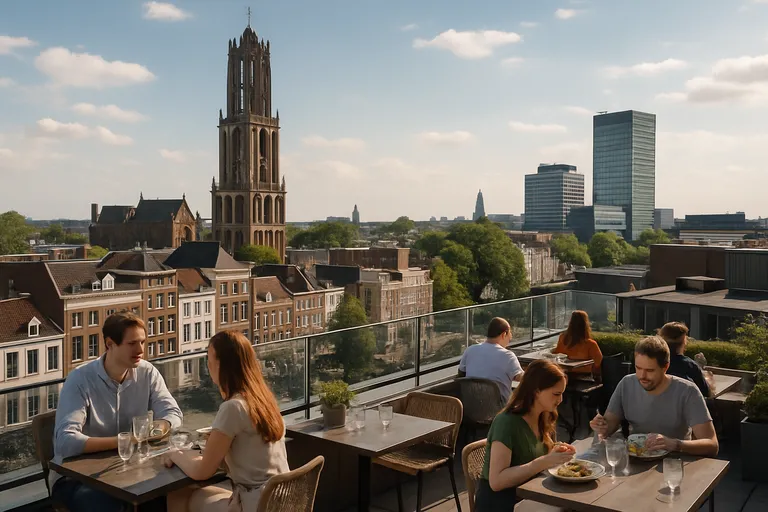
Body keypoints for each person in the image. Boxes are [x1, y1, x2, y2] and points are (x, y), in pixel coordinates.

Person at [51, 312, 183, 511]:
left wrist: (159, 427)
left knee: (170, 496)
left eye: (143, 342)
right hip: (77, 479)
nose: (140, 350)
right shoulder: (80, 380)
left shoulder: (147, 372)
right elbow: (65, 442)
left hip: (128, 471)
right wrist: (127, 440)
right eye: (132, 344)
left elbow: (173, 413)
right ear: (110, 344)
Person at [165, 330, 289, 512]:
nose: (207, 365)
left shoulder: (233, 407)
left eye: (209, 359)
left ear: (221, 364)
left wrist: (173, 454)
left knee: (179, 494)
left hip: (255, 505)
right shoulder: (264, 400)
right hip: (282, 501)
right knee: (203, 492)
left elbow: (202, 471)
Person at [590, 336, 718, 457]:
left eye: (650, 371)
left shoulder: (687, 391)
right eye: (638, 368)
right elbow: (609, 425)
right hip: (635, 458)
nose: (642, 376)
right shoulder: (627, 383)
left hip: (673, 462)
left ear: (665, 367)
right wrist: (602, 426)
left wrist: (675, 444)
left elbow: (712, 445)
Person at [475, 360, 576, 511]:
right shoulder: (506, 422)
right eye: (556, 394)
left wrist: (556, 451)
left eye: (562, 393)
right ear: (536, 391)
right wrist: (545, 461)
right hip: (502, 503)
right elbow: (496, 482)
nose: (560, 400)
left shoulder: (544, 415)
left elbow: (534, 453)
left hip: (531, 495)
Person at [458, 317, 524, 403]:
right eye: (510, 333)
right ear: (504, 334)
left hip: (472, 406)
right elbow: (522, 378)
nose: (511, 337)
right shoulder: (507, 355)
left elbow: (461, 373)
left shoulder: (470, 350)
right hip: (499, 409)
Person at [659, 322, 711, 397]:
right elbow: (706, 393)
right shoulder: (689, 366)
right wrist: (706, 377)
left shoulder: (652, 361)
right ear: (684, 341)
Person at [552, 310, 603, 380]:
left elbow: (557, 353)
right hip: (584, 378)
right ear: (585, 324)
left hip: (563, 376)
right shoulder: (590, 344)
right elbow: (598, 363)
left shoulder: (562, 338)